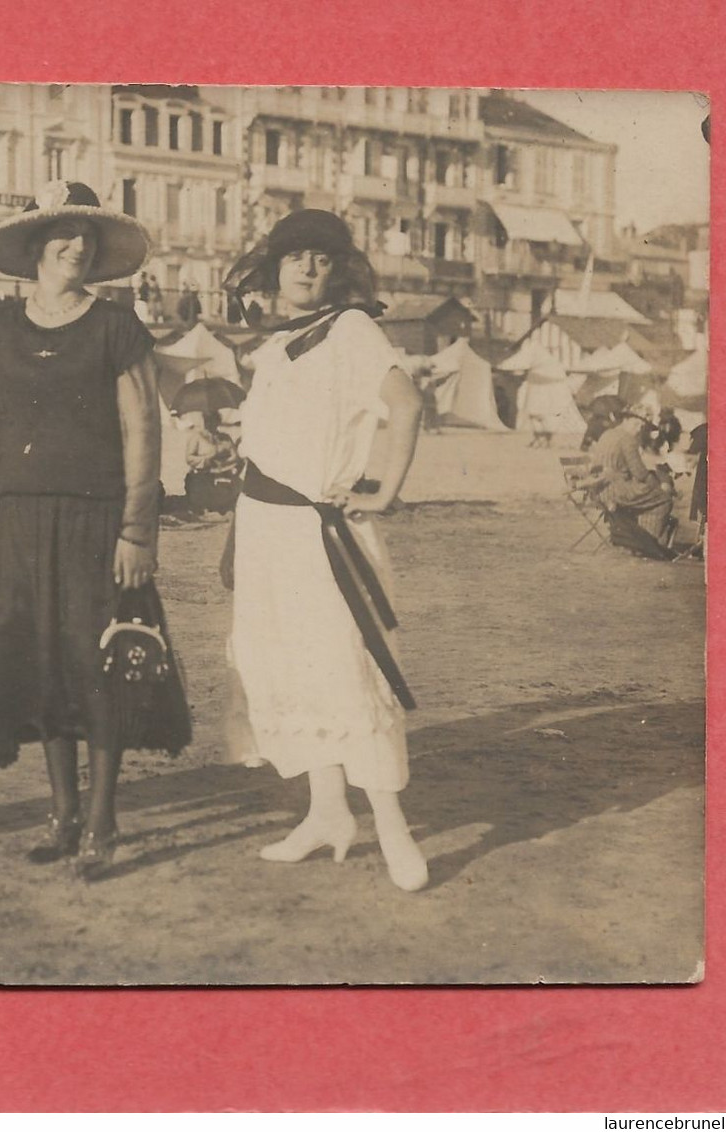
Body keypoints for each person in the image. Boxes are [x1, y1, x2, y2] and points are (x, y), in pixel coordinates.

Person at [0, 180, 190, 879]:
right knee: (42, 665)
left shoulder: (117, 327)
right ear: (35, 245)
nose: (78, 246)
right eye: (64, 233)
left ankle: (101, 822)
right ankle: (61, 813)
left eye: (88, 237)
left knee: (98, 666)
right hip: (20, 520)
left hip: (99, 522)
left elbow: (143, 430)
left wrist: (137, 531)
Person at [221, 208, 430, 892]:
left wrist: (383, 490)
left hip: (321, 534)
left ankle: (394, 830)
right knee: (284, 668)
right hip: (263, 531)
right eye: (296, 257)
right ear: (275, 267)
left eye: (321, 258)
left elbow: (406, 404)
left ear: (337, 269)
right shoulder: (276, 345)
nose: (309, 269)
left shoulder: (352, 328)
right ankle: (326, 814)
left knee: (346, 669)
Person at [589, 411, 675, 541]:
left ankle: (629, 536)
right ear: (625, 420)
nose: (638, 429)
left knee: (648, 494)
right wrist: (658, 486)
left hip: (600, 490)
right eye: (636, 424)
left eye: (641, 427)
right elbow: (640, 473)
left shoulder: (607, 434)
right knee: (663, 499)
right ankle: (646, 542)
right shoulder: (627, 439)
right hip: (617, 491)